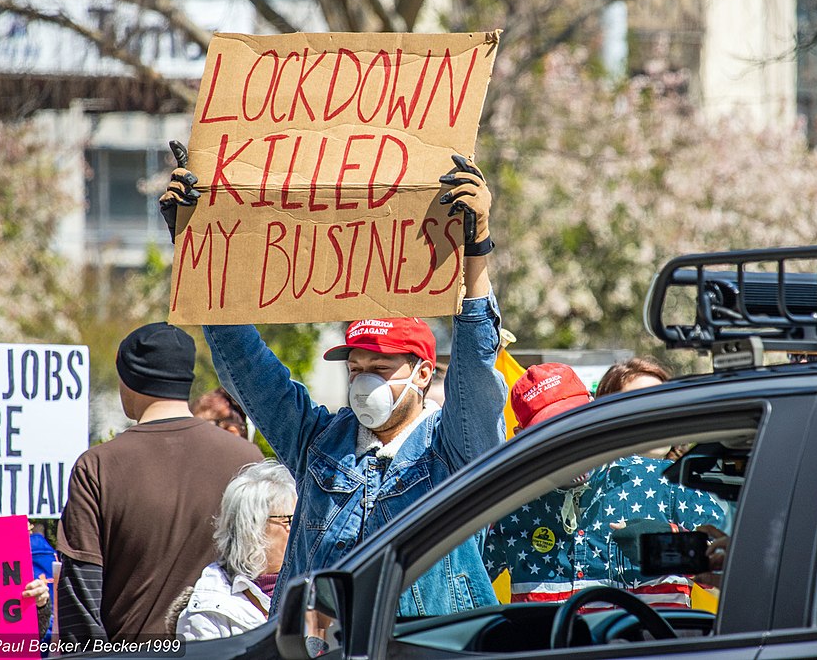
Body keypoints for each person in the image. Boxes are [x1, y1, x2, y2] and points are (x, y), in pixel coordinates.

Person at [160, 146, 507, 617]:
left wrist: (477, 248)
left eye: (381, 370)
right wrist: (196, 247)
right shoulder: (320, 442)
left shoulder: (455, 450)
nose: (365, 383)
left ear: (424, 374)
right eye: (357, 370)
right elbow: (248, 368)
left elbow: (475, 372)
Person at [57, 323, 264, 641]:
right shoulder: (246, 459)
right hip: (228, 650)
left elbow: (80, 601)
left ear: (128, 378)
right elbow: (267, 573)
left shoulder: (97, 466)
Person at [485, 362, 725, 608]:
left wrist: (667, 546)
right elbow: (454, 583)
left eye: (574, 423)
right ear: (521, 435)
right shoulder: (512, 505)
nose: (566, 441)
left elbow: (738, 564)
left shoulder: (668, 481)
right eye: (549, 432)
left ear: (592, 410)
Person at [176, 460, 297, 639]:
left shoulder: (317, 583)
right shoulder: (205, 613)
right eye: (290, 520)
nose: (299, 529)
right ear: (252, 528)